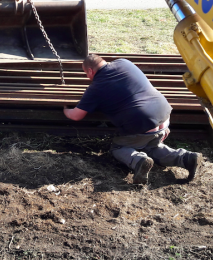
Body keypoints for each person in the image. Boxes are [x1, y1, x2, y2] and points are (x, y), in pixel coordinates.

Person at [63, 54, 202, 184]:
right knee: (151, 147)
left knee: (119, 147)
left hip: (144, 123)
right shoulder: (124, 62)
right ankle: (186, 157)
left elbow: (76, 116)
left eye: (86, 74)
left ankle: (138, 161)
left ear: (90, 70)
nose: (88, 77)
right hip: (164, 115)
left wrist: (66, 110)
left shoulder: (96, 87)